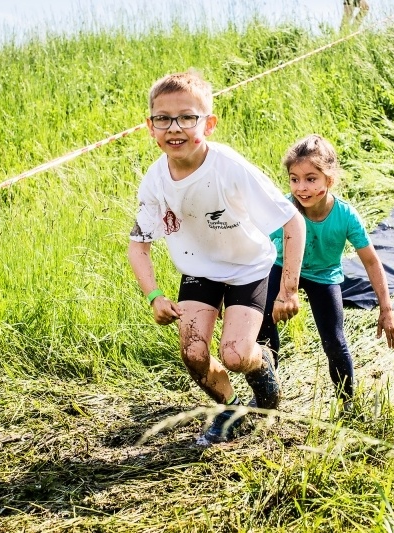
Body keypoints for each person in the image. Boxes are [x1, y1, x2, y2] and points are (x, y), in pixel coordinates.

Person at [128, 71, 306, 446]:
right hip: (199, 271)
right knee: (193, 354)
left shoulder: (229, 167)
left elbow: (293, 222)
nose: (174, 128)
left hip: (248, 268)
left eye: (187, 118)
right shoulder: (155, 180)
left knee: (236, 354)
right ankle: (230, 408)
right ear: (150, 126)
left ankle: (266, 382)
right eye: (163, 118)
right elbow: (138, 246)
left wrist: (288, 289)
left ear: (208, 124)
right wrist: (154, 296)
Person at [256, 134, 394, 415]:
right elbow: (255, 247)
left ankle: (347, 403)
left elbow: (370, 261)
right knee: (261, 321)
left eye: (311, 179)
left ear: (329, 179)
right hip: (281, 268)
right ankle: (268, 391)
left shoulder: (345, 216)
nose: (301, 187)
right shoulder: (283, 209)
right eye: (294, 179)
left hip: (324, 276)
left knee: (334, 340)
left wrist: (386, 308)